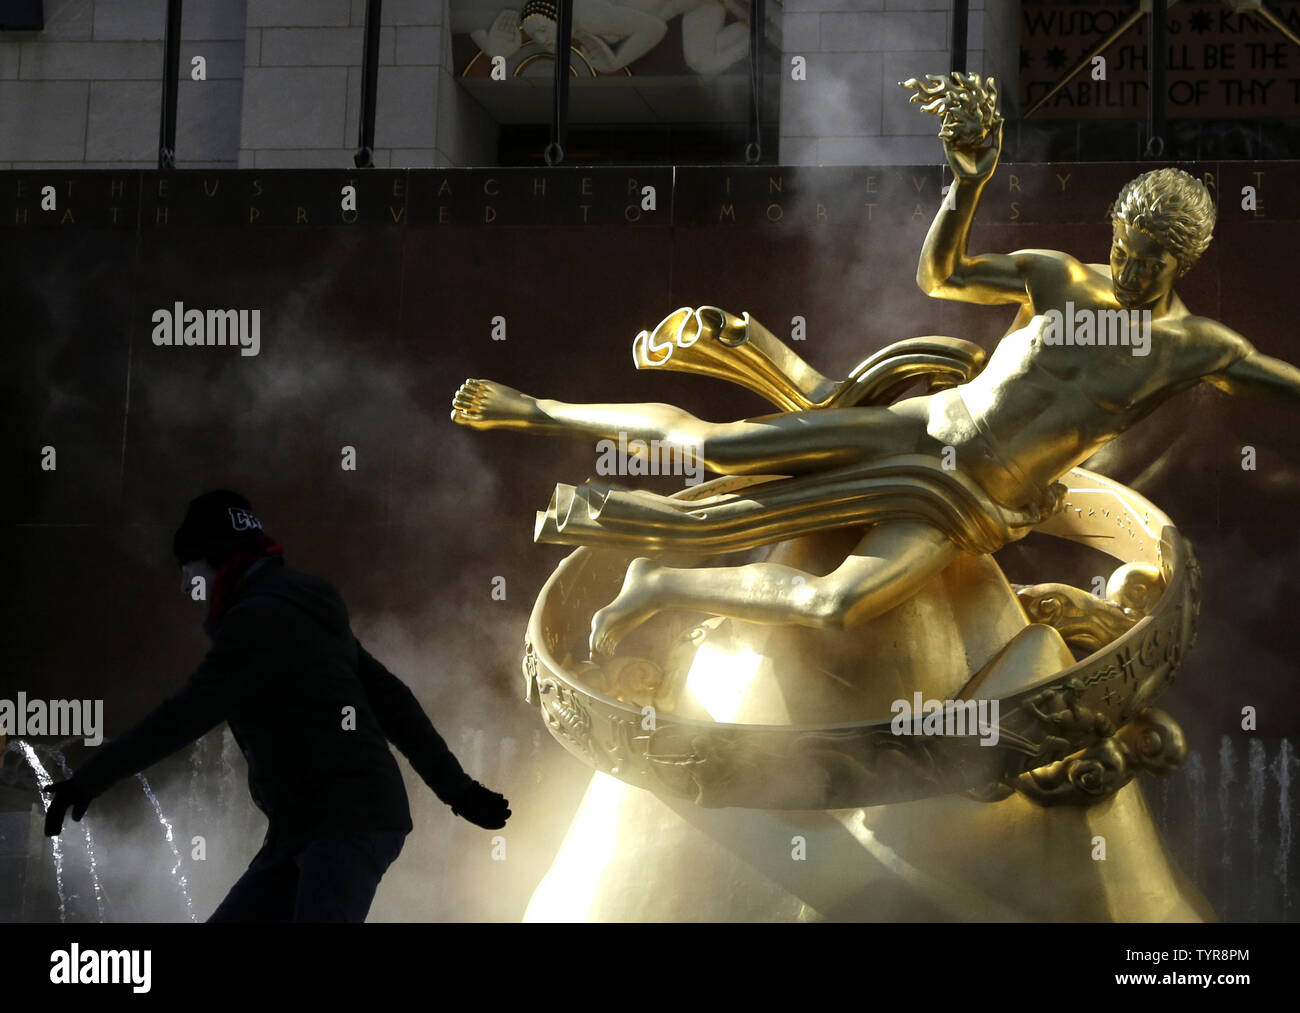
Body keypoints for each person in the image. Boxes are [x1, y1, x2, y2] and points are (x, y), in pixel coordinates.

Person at [450, 74, 1300, 658]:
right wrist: (966, 185)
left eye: (1152, 259)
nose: (1132, 266)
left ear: (1187, 260)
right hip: (927, 425)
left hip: (976, 499)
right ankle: (538, 409)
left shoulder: (1198, 350)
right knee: (723, 447)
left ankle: (661, 583)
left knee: (839, 605)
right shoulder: (1058, 276)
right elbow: (943, 276)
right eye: (1126, 245)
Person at [42, 490, 509, 922]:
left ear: (218, 559)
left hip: (348, 822)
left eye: (187, 568)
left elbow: (180, 719)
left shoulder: (258, 622)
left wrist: (87, 781)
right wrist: (459, 791)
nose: (185, 587)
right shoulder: (303, 609)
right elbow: (392, 700)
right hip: (304, 829)